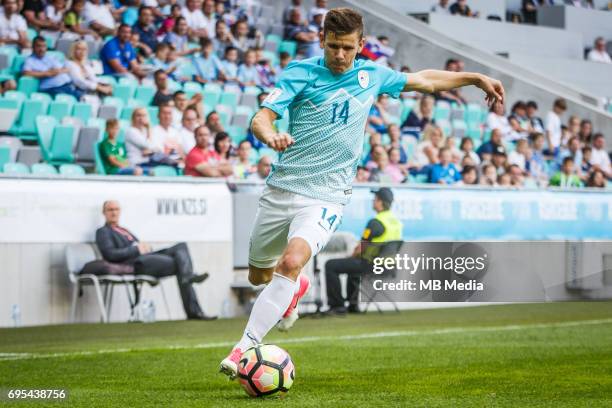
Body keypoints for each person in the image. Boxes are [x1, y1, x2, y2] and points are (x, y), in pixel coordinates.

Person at [219, 7, 504, 379]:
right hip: (281, 189)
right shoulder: (300, 73)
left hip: (326, 195)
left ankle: (244, 347)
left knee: (290, 262)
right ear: (322, 40)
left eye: (347, 48)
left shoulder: (372, 75)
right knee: (260, 277)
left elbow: (425, 80)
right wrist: (270, 134)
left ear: (360, 46)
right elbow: (262, 116)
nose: (339, 55)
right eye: (333, 46)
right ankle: (295, 289)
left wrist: (475, 77)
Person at [95, 200, 216, 320]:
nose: (114, 213)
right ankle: (191, 294)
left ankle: (187, 277)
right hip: (137, 263)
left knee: (181, 247)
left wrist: (145, 247)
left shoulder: (124, 230)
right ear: (104, 212)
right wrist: (136, 250)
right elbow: (110, 255)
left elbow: (139, 245)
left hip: (147, 257)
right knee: (181, 265)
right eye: (110, 210)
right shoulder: (103, 232)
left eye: (116, 209)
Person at [325, 188, 402, 315]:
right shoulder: (396, 222)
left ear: (380, 202)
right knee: (354, 266)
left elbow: (361, 248)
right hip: (389, 267)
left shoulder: (376, 222)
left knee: (331, 265)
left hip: (371, 265)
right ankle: (353, 306)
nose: (373, 201)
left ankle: (337, 306)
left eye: (375, 198)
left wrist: (352, 255)